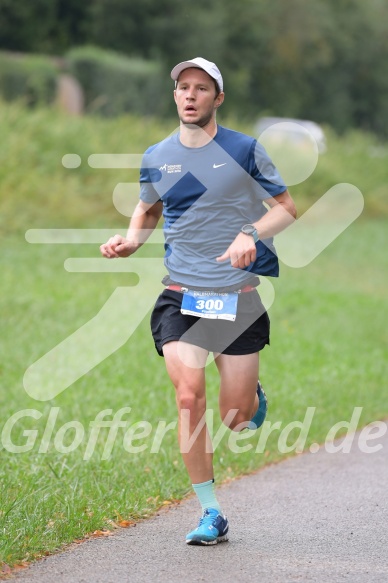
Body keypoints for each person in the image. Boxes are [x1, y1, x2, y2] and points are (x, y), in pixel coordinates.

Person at [100, 57, 297, 546]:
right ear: (175, 96)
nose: (190, 96)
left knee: (236, 418)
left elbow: (286, 208)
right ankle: (211, 511)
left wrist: (250, 233)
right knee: (188, 396)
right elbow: (148, 208)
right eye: (183, 88)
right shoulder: (158, 155)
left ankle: (252, 401)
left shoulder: (245, 150)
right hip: (181, 296)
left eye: (201, 89)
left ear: (218, 98)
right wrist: (130, 240)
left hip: (236, 297)